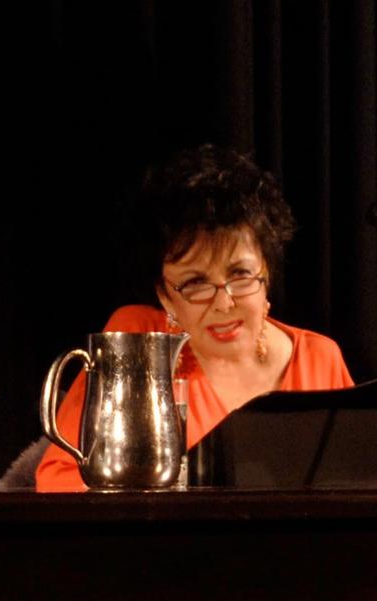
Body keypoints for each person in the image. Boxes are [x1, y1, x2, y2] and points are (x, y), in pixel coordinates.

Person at [35, 144, 354, 492]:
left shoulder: (321, 358)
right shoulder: (138, 339)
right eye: (195, 283)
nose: (223, 302)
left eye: (240, 274)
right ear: (164, 293)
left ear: (267, 272)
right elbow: (60, 479)